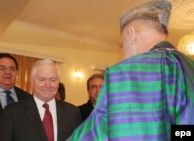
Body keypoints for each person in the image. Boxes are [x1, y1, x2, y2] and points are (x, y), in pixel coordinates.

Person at [67, 0, 194, 141]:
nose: (123, 53)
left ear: (132, 34)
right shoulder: (189, 67)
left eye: (122, 45)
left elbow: (93, 135)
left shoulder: (124, 74)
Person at [0, 59, 82, 141]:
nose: (48, 85)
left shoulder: (72, 113)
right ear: (32, 81)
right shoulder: (12, 112)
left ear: (58, 82)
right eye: (42, 79)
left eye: (53, 80)